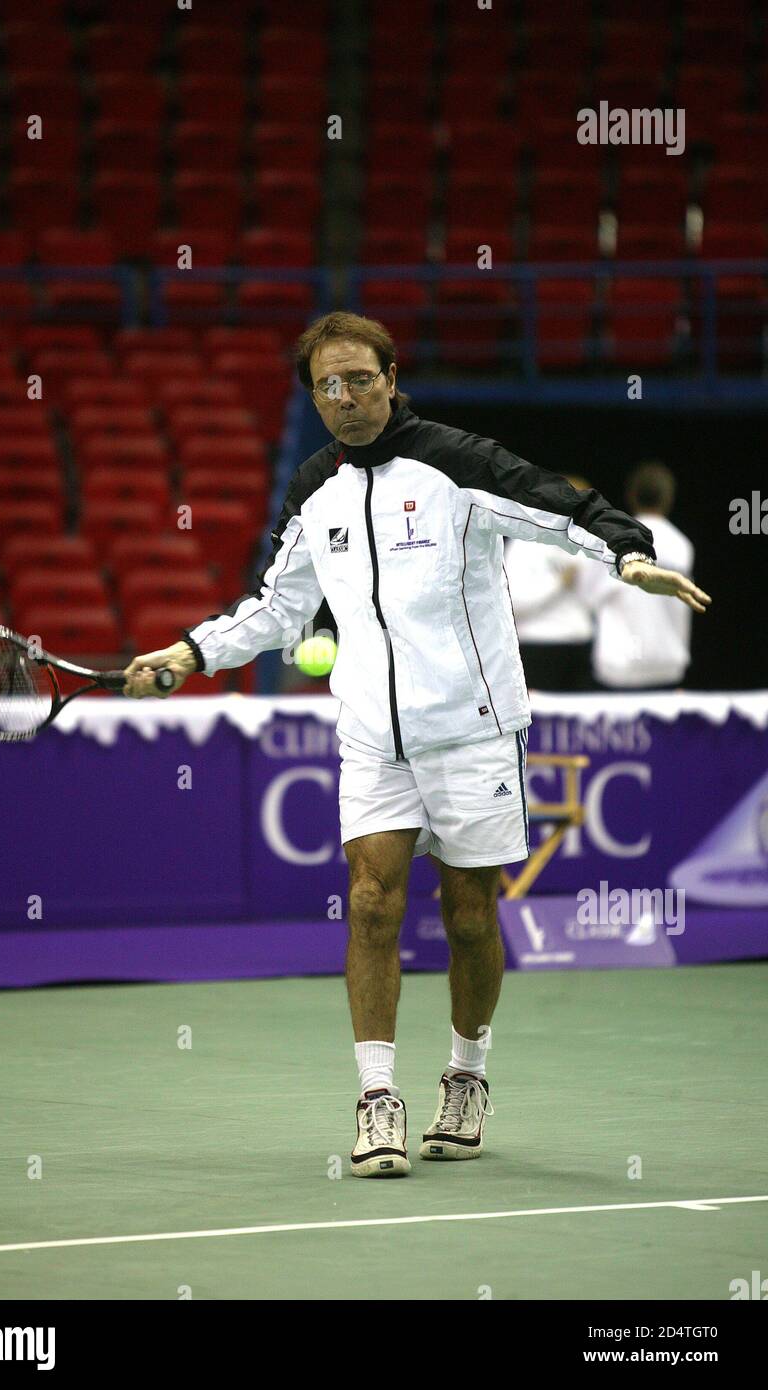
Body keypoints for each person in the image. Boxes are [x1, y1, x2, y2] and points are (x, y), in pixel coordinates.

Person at [124, 313, 711, 1178]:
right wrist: (191, 650)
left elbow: (558, 506)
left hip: (472, 732)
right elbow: (277, 607)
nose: (345, 397)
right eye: (327, 385)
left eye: (360, 379)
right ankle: (375, 1098)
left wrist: (626, 555)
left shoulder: (457, 464)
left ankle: (467, 1076)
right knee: (370, 901)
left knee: (472, 916)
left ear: (392, 378)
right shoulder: (313, 490)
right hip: (371, 738)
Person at [586, 461, 695, 691]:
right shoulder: (681, 546)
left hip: (619, 666)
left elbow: (589, 598)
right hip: (666, 664)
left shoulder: (612, 541)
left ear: (632, 496)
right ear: (668, 498)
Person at [504, 475, 596, 691]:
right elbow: (512, 601)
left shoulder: (589, 543)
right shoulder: (524, 542)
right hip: (538, 647)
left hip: (579, 646)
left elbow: (596, 600)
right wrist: (558, 583)